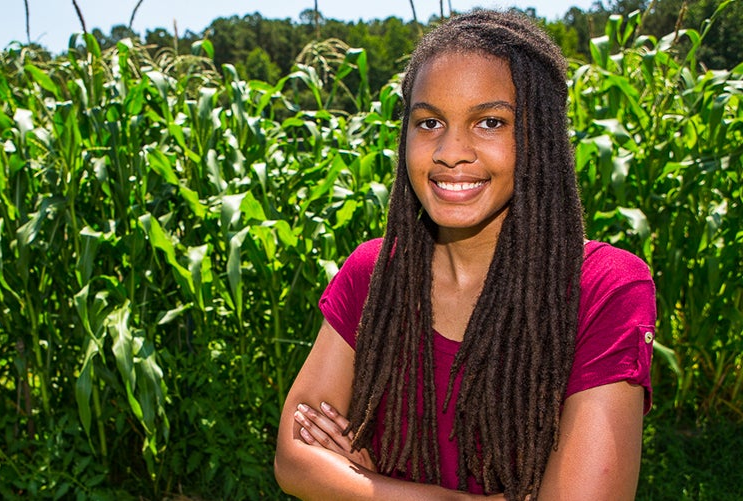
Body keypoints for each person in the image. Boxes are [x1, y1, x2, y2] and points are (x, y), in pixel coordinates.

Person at [273, 9, 656, 501]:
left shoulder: (604, 287)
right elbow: (294, 458)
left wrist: (363, 486)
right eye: (429, 121)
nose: (451, 151)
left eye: (490, 122)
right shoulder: (374, 275)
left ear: (538, 138)